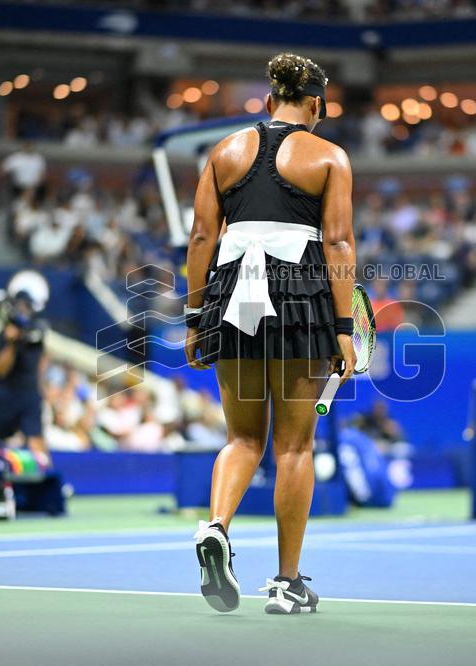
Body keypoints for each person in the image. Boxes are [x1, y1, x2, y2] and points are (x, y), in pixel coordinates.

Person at [184, 53, 355, 615]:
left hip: (230, 295)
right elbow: (338, 244)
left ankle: (216, 526)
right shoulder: (328, 157)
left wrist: (194, 318)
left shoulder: (223, 152)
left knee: (242, 440)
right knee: (294, 446)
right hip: (299, 297)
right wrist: (344, 329)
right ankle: (286, 582)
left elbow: (201, 239)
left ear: (269, 99)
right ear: (315, 104)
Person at [0, 292, 50, 463]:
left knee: (36, 441)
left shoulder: (36, 333)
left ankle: (45, 475)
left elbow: (40, 363)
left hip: (29, 394)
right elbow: (2, 369)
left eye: (25, 307)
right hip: (4, 395)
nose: (22, 311)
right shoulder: (5, 335)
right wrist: (11, 343)